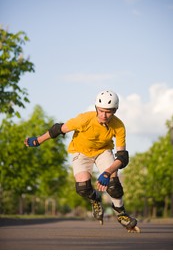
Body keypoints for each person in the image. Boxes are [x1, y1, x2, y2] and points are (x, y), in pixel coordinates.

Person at [24, 90, 139, 232]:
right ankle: (95, 198)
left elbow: (122, 157)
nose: (104, 115)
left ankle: (121, 214)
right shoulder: (84, 119)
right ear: (96, 108)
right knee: (83, 188)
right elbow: (58, 129)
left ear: (115, 110)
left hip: (103, 151)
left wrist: (108, 172)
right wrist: (38, 140)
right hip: (81, 152)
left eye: (108, 112)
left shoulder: (119, 126)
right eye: (101, 111)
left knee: (113, 185)